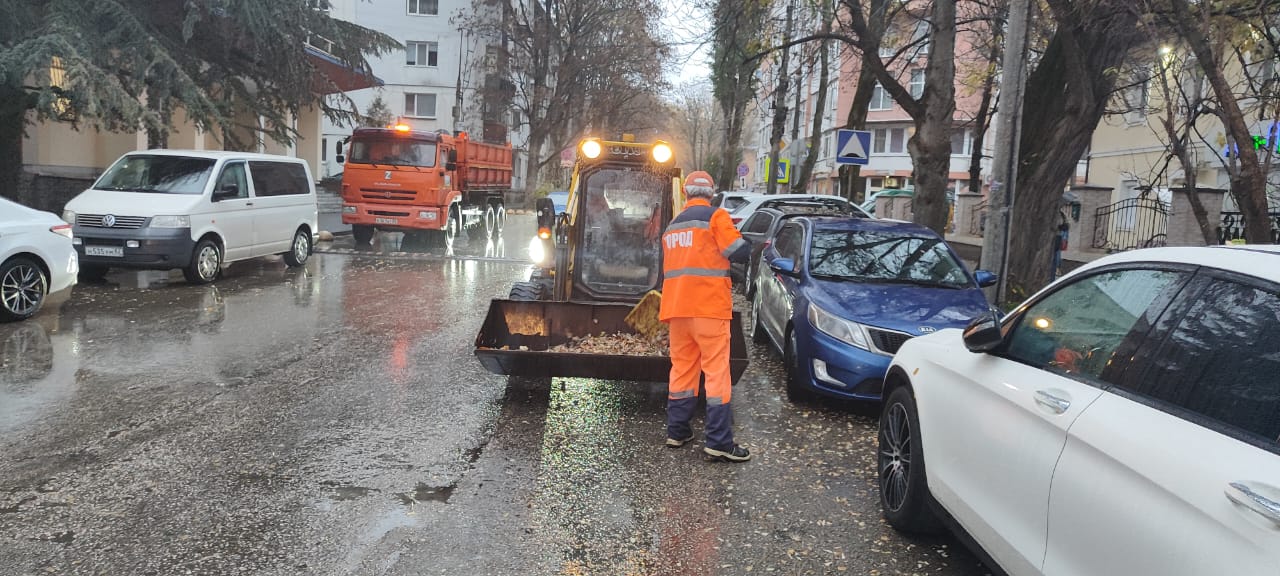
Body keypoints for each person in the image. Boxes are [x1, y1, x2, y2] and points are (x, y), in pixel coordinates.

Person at [659, 171, 753, 463]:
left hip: (677, 310)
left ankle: (677, 432)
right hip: (709, 308)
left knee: (682, 371)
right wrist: (749, 243)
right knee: (716, 372)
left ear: (685, 193)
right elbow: (737, 251)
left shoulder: (673, 226)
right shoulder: (716, 217)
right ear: (711, 194)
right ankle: (719, 442)